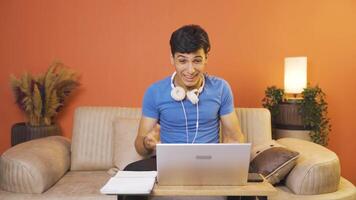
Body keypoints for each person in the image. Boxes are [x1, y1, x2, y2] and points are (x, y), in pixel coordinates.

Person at [123, 24, 247, 200]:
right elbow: (139, 147)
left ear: (206, 58)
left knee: (248, 188)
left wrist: (232, 150)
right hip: (169, 164)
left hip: (209, 163)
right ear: (172, 59)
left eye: (197, 60)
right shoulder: (155, 92)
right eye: (182, 61)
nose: (190, 70)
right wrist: (147, 142)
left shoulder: (221, 88)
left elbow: (236, 138)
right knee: (129, 174)